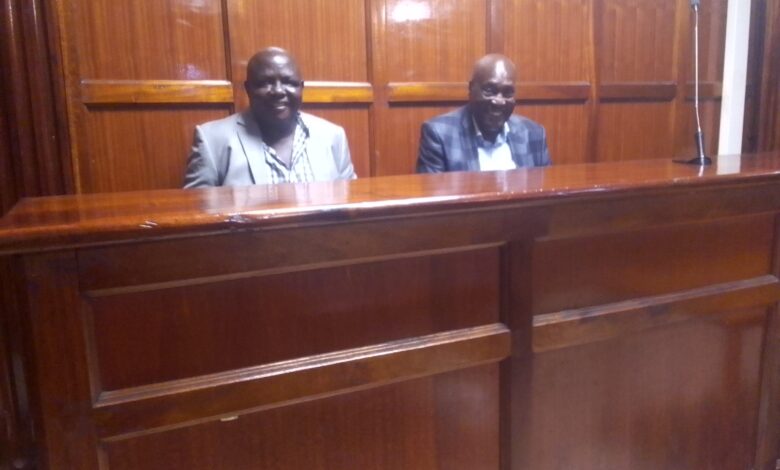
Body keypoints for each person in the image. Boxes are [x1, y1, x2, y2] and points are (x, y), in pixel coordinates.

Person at [184, 47, 356, 188]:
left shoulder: (332, 136)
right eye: (265, 82)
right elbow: (198, 211)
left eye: (289, 82)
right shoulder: (212, 140)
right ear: (248, 89)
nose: (278, 91)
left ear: (301, 88)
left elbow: (351, 205)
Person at [416, 54, 550, 173]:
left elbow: (547, 190)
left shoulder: (533, 134)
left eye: (507, 93)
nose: (499, 101)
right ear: (471, 89)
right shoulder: (439, 135)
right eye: (490, 91)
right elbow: (432, 191)